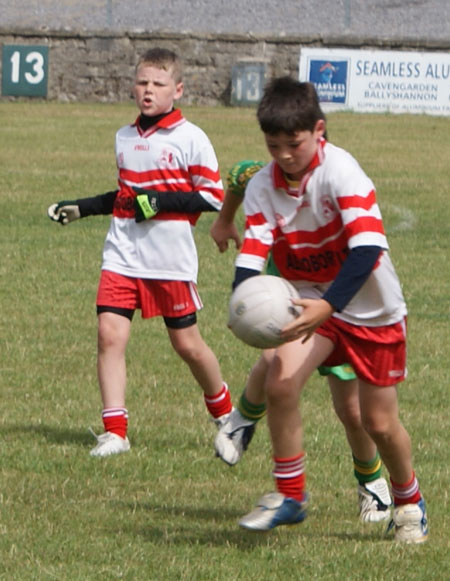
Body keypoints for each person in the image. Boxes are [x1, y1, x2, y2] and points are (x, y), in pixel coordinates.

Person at [227, 77, 428, 543]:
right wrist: (244, 303)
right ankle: (291, 495)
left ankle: (408, 500)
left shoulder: (342, 172)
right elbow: (253, 251)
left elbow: (367, 251)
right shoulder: (262, 185)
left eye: (293, 144)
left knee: (376, 421)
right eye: (273, 145)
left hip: (372, 309)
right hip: (308, 301)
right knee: (280, 382)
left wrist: (328, 306)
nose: (282, 155)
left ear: (319, 131)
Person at [47, 48, 234, 457]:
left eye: (158, 84)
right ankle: (115, 432)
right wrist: (84, 207)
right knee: (109, 334)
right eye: (142, 82)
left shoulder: (191, 138)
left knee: (187, 345)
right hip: (122, 254)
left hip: (169, 258)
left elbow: (212, 198)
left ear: (177, 90)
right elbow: (127, 197)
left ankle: (225, 413)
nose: (148, 91)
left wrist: (159, 202)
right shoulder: (124, 137)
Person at [211, 161, 392, 524]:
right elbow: (238, 178)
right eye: (276, 145)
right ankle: (244, 419)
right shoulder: (264, 177)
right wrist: (224, 220)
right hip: (288, 292)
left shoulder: (334, 185)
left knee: (352, 412)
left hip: (341, 298)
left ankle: (372, 484)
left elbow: (365, 246)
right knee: (276, 360)